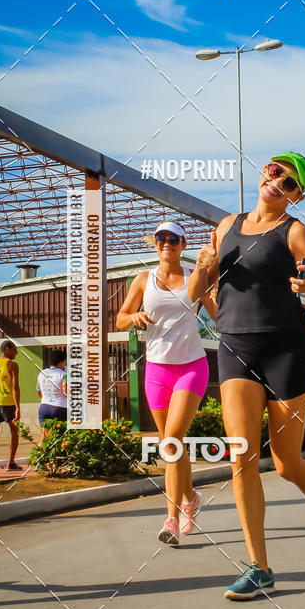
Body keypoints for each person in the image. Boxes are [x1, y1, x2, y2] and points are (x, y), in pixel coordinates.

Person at [198, 152, 305, 600]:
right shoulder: (225, 227)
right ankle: (259, 566)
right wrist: (205, 281)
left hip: (287, 350)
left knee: (284, 463)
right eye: (275, 171)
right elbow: (200, 292)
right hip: (236, 348)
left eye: (291, 183)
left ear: (298, 197)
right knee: (240, 456)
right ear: (264, 172)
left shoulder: (295, 232)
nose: (278, 182)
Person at [116, 221, 209, 545]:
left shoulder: (195, 276)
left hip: (191, 367)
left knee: (171, 441)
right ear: (154, 245)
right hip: (157, 369)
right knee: (173, 443)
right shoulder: (144, 280)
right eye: (160, 239)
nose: (166, 243)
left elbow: (217, 311)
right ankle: (191, 498)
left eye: (172, 238)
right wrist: (135, 317)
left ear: (183, 244)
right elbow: (121, 317)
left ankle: (171, 518)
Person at [0, 340, 22, 471]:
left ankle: (11, 463)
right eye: (14, 350)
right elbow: (15, 388)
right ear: (7, 349)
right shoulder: (12, 365)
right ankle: (11, 463)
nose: (16, 352)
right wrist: (18, 408)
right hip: (8, 403)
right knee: (14, 433)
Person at [37, 350, 68, 443]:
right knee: (62, 438)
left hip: (44, 407)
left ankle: (38, 456)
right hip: (60, 408)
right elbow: (66, 392)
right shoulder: (64, 375)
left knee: (43, 437)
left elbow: (39, 391)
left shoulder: (41, 373)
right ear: (61, 362)